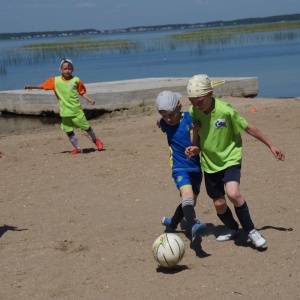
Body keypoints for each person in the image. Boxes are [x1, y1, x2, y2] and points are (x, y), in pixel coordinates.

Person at [185, 74, 285, 248]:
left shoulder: (225, 111)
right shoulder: (194, 111)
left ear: (210, 94)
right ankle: (232, 228)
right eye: (192, 102)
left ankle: (251, 231)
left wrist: (270, 145)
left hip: (231, 157)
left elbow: (248, 127)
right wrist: (195, 148)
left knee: (233, 194)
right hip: (209, 163)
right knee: (219, 203)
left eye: (199, 101)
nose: (196, 106)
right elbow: (197, 135)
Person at [156, 90, 206, 249]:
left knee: (190, 201)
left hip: (196, 168)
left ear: (179, 106)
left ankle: (172, 223)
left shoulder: (190, 118)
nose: (168, 119)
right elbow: (160, 123)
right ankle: (193, 227)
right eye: (165, 116)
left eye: (171, 115)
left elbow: (195, 141)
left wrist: (196, 135)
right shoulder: (164, 123)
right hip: (179, 168)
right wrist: (161, 121)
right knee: (187, 196)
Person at [24, 59, 103, 155]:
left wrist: (89, 99)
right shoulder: (55, 81)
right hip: (65, 112)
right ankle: (77, 148)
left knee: (86, 127)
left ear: (73, 69)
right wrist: (31, 87)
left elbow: (81, 92)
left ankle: (96, 140)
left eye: (69, 68)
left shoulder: (76, 80)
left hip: (76, 110)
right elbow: (43, 86)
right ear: (60, 69)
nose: (67, 70)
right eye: (65, 69)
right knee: (68, 131)